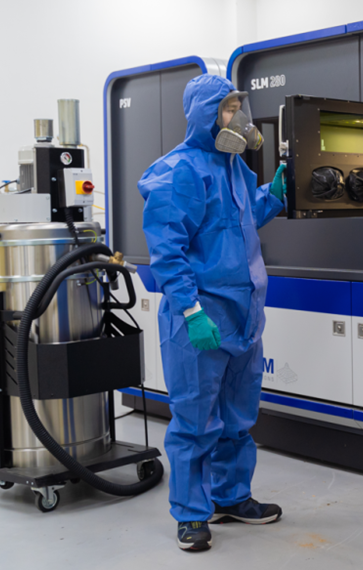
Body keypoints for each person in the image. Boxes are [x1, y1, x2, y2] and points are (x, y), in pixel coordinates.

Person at [138, 74, 287, 552]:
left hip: (244, 318)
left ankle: (230, 496)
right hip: (200, 320)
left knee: (238, 417)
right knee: (195, 421)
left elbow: (240, 221)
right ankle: (191, 514)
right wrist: (190, 310)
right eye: (227, 109)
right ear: (205, 115)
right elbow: (168, 252)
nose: (236, 118)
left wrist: (273, 194)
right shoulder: (178, 171)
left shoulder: (234, 167)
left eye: (238, 108)